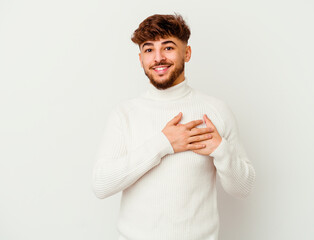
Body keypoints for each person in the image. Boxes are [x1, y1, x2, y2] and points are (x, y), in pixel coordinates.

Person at [92, 13, 256, 240]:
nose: (158, 58)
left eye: (168, 48)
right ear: (141, 59)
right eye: (149, 50)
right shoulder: (125, 115)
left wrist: (222, 149)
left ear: (186, 53)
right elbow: (101, 185)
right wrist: (163, 143)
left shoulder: (216, 110)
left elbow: (244, 188)